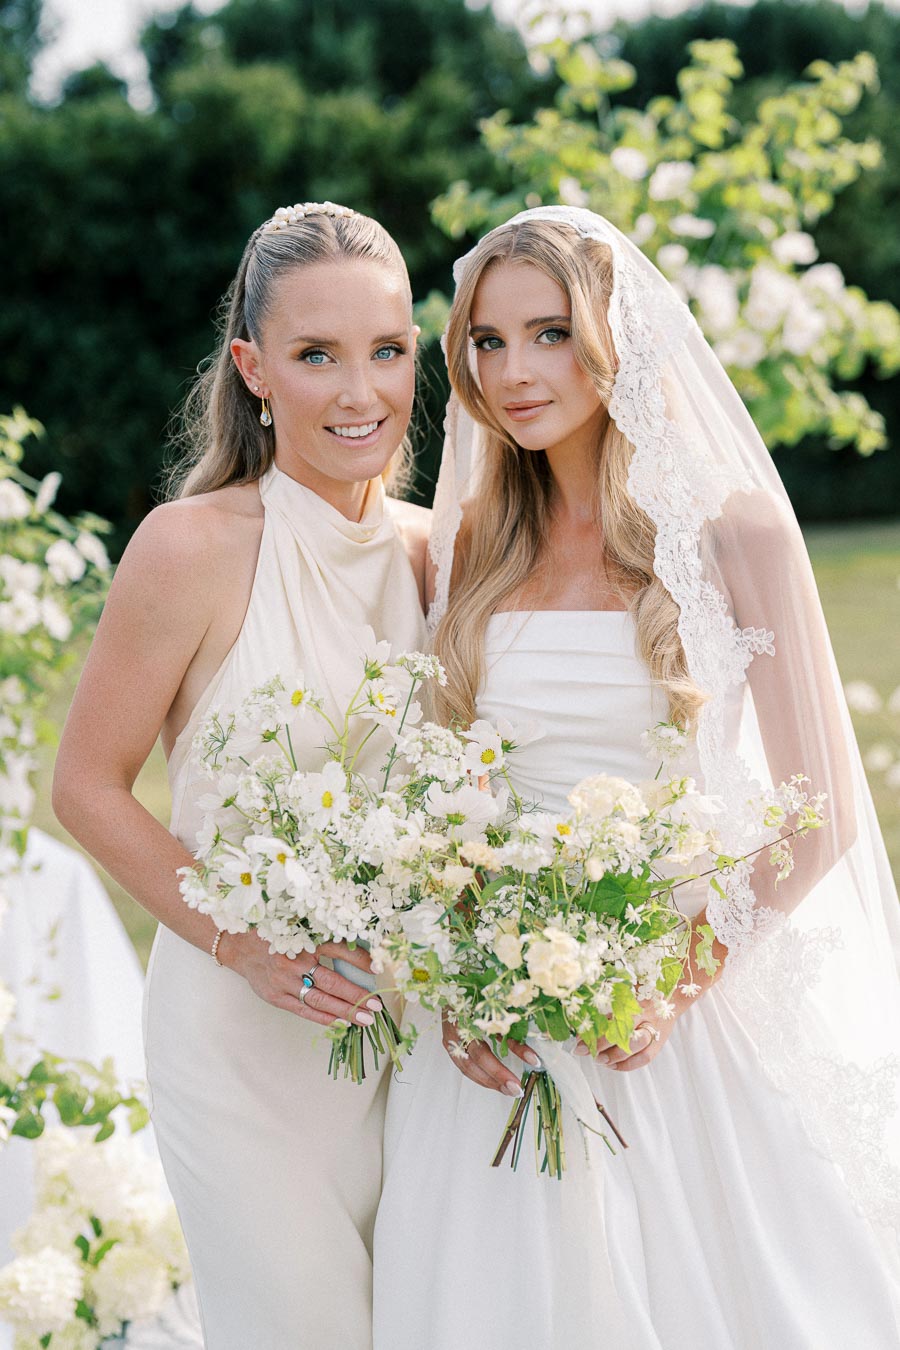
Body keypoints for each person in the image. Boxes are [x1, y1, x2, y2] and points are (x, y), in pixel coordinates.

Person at [374, 207, 900, 1349]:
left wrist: (668, 981)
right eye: (487, 340)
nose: (514, 373)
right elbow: (436, 799)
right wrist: (466, 979)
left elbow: (824, 816)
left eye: (550, 332)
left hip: (674, 1007)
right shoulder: (462, 549)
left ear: (617, 336)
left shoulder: (734, 536)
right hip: (493, 1041)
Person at [53, 201, 429, 1350]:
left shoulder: (443, 549)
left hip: (413, 1035)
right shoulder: (191, 545)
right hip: (241, 1038)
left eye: (388, 350)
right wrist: (247, 945)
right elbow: (88, 788)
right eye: (317, 356)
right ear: (254, 369)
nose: (359, 391)